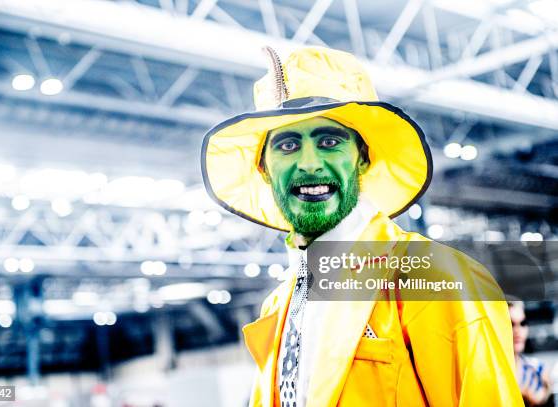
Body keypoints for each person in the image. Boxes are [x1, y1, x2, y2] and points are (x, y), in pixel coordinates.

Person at [201, 46, 523, 406]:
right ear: (264, 168)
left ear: (362, 158)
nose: (310, 164)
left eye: (329, 141)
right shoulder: (278, 304)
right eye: (288, 144)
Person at [508, 297, 554, 406]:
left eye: (523, 323)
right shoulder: (488, 372)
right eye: (511, 324)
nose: (518, 330)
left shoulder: (538, 369)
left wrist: (546, 397)